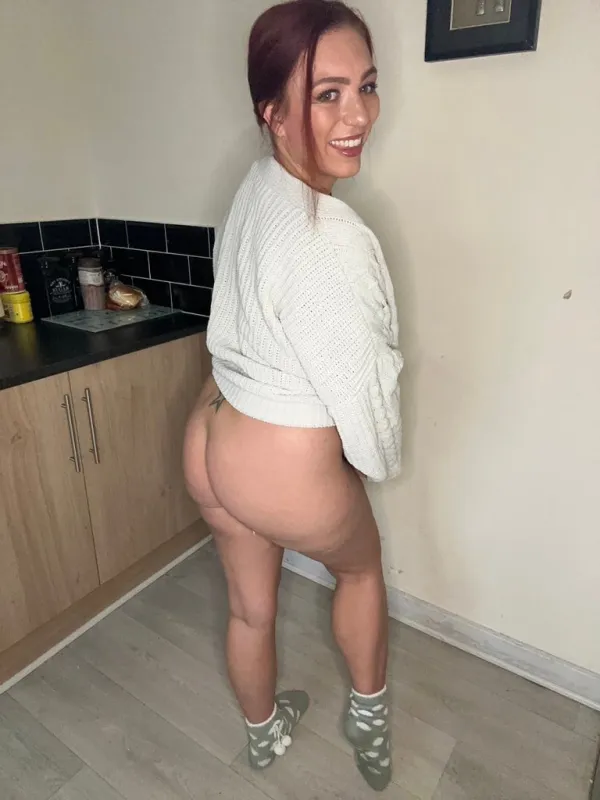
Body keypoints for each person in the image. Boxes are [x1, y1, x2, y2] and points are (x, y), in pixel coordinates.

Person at [184, 0, 402, 791]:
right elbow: (369, 415)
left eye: (366, 86)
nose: (358, 116)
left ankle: (264, 735)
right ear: (272, 113)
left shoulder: (256, 185)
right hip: (279, 470)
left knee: (250, 608)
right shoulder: (332, 244)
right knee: (362, 572)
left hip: (209, 435)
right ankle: (370, 728)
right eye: (327, 95)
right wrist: (373, 464)